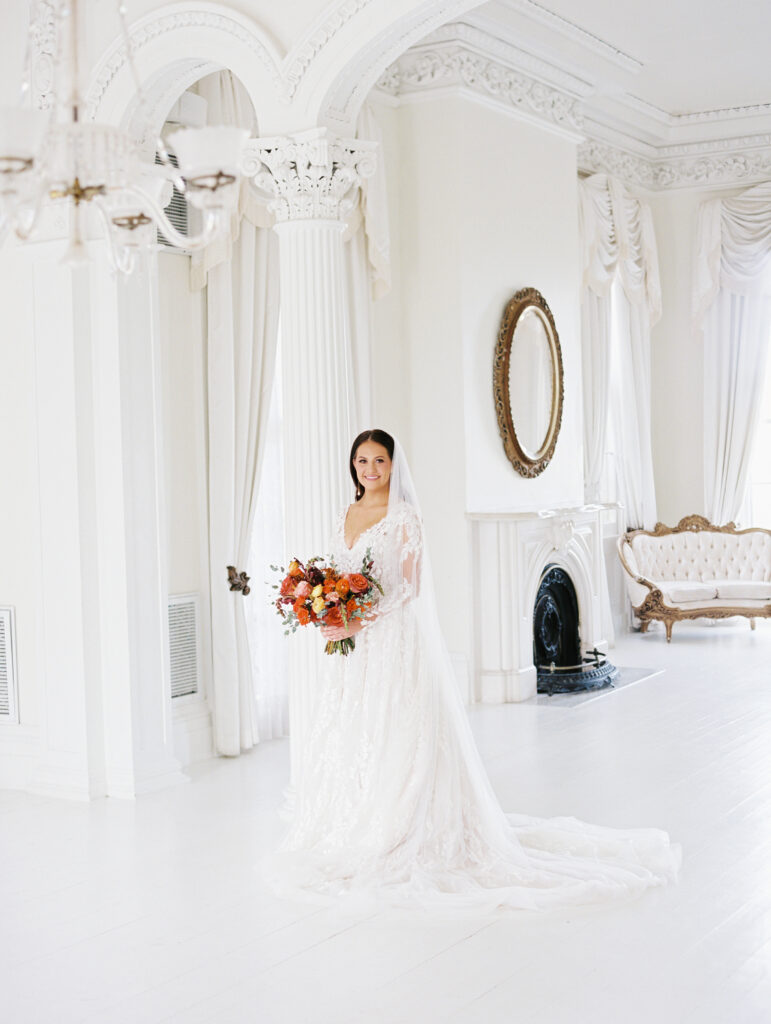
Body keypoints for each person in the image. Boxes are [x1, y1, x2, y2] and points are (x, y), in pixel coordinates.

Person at [265, 429, 680, 910]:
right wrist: (330, 613)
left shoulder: (404, 517)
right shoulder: (346, 513)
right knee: (359, 728)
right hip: (356, 646)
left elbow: (410, 589)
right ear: (352, 465)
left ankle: (399, 827)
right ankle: (355, 817)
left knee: (397, 729)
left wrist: (357, 615)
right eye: (362, 461)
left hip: (393, 638)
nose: (371, 470)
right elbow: (337, 574)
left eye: (380, 461)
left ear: (394, 466)